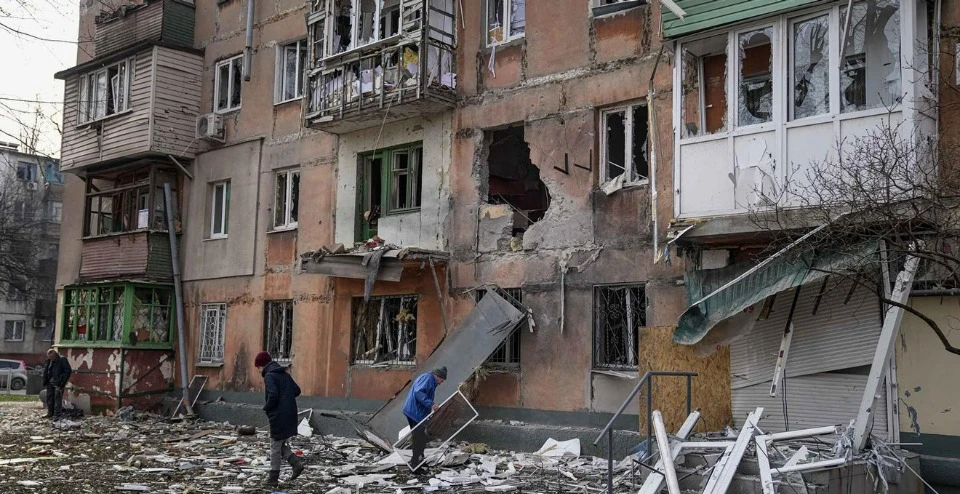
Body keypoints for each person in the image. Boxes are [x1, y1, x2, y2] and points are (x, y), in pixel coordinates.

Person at [255, 351, 305, 487]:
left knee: (275, 447)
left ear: (262, 365)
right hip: (290, 414)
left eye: (258, 367)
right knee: (280, 444)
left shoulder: (269, 376)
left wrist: (267, 408)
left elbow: (273, 395)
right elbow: (297, 390)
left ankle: (273, 479)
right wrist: (286, 399)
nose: (258, 371)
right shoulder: (284, 374)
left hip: (278, 415)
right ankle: (296, 464)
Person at [401, 366, 446, 470]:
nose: (441, 383)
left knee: (420, 437)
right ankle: (415, 463)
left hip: (415, 412)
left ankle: (419, 459)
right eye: (442, 380)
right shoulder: (428, 379)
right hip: (415, 412)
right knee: (419, 438)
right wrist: (431, 404)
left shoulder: (428, 378)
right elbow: (418, 392)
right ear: (438, 376)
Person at [42, 349, 71, 419]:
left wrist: (62, 381)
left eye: (51, 356)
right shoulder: (49, 361)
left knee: (57, 399)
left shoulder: (62, 360)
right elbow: (46, 371)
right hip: (49, 382)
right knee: (49, 398)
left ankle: (57, 415)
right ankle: (50, 413)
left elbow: (68, 371)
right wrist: (45, 380)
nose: (50, 358)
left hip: (58, 383)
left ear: (55, 355)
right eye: (49, 356)